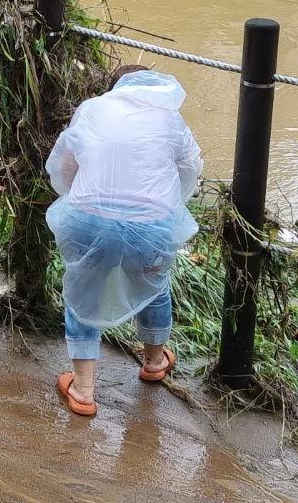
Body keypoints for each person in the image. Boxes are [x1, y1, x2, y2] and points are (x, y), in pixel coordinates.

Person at [46, 65, 203, 416]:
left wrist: (82, 199)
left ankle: (83, 391)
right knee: (153, 282)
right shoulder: (170, 119)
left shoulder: (92, 108)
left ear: (114, 87)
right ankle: (154, 361)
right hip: (152, 226)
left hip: (88, 221)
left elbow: (63, 165)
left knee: (82, 290)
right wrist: (166, 205)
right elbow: (191, 167)